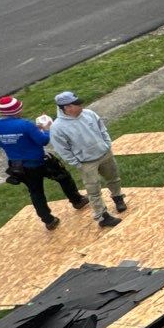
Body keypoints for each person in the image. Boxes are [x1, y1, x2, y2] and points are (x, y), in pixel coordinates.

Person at [0, 93, 87, 231]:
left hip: (17, 166)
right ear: (16, 110)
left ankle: (48, 220)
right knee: (64, 177)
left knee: (35, 192)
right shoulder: (25, 125)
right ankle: (77, 201)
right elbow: (43, 140)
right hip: (39, 162)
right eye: (20, 108)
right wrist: (47, 129)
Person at [46, 91, 126, 228]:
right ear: (66, 108)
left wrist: (107, 144)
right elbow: (62, 149)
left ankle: (118, 198)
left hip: (104, 154)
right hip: (86, 163)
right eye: (76, 104)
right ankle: (103, 217)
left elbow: (102, 129)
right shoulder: (57, 128)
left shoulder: (89, 114)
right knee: (93, 190)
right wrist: (77, 163)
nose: (81, 105)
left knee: (113, 178)